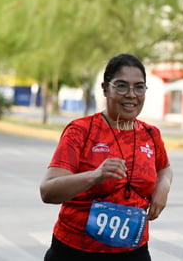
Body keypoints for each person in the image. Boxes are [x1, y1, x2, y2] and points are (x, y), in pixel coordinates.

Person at [40, 53, 173, 261]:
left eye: (139, 87)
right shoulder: (81, 131)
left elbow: (164, 167)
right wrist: (95, 176)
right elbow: (48, 191)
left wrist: (163, 187)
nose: (131, 94)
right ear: (105, 88)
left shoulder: (151, 134)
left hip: (133, 251)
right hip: (75, 251)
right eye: (121, 86)